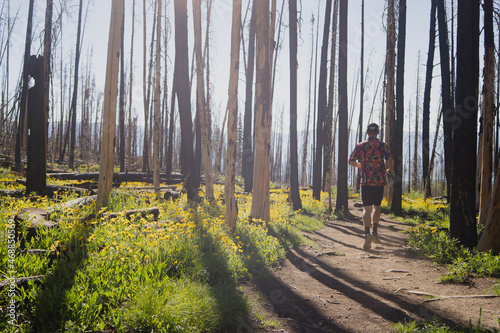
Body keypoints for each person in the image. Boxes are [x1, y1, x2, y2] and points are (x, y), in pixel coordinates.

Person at [348, 123, 393, 250]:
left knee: (366, 209)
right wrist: (390, 170)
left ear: (367, 133)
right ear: (377, 132)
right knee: (377, 207)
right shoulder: (383, 146)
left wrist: (359, 165)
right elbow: (389, 160)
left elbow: (350, 160)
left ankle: (367, 234)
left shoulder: (361, 146)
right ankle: (375, 232)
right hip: (379, 181)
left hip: (366, 182)